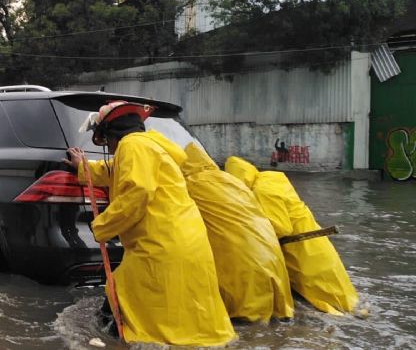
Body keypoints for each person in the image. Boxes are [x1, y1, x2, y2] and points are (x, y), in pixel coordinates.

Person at [64, 101, 235, 346]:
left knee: (127, 301)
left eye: (107, 141)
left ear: (111, 134)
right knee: (190, 314)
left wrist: (103, 226)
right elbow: (116, 170)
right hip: (187, 239)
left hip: (160, 243)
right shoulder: (151, 145)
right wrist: (84, 168)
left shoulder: (132, 146)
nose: (110, 149)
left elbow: (138, 192)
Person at [225, 156, 359, 315]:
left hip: (301, 248)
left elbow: (280, 227)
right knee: (335, 287)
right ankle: (353, 310)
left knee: (320, 295)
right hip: (313, 239)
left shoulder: (262, 191)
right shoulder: (272, 178)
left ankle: (340, 316)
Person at [180, 142, 293, 322]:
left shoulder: (191, 185)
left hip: (243, 266)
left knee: (247, 323)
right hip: (273, 259)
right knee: (276, 323)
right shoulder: (233, 182)